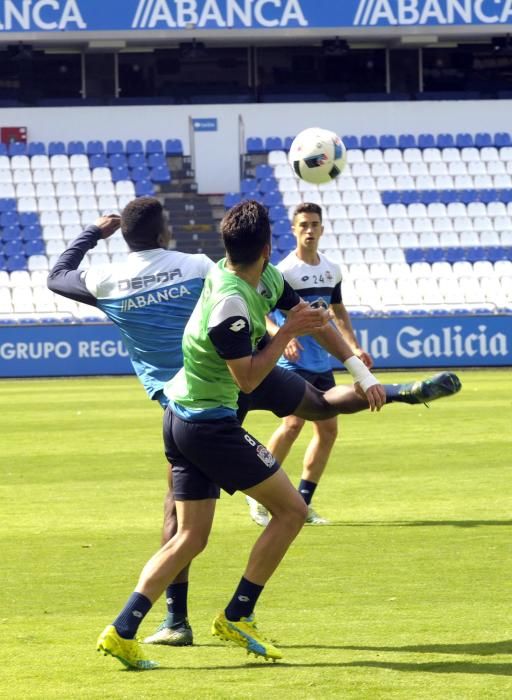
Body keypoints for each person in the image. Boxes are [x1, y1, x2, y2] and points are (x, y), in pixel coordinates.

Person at [95, 200, 461, 670]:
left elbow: (314, 317)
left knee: (189, 537)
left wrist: (357, 369)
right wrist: (286, 329)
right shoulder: (229, 300)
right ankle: (238, 615)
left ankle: (121, 630)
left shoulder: (263, 276)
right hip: (208, 425)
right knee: (291, 511)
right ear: (268, 247)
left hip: (184, 414)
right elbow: (248, 378)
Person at [248, 202, 371, 526]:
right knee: (292, 423)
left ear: (322, 228)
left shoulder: (332, 269)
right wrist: (280, 335)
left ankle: (303, 502)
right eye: (303, 224)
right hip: (293, 361)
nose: (309, 230)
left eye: (314, 224)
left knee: (328, 431)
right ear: (293, 229)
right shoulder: (283, 270)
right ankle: (258, 493)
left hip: (320, 362)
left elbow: (338, 310)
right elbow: (261, 311)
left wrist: (354, 347)